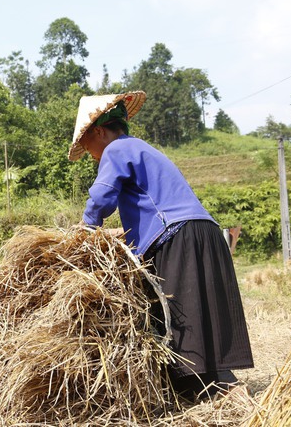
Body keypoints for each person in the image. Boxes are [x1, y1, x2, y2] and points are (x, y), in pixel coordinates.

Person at [68, 90, 254, 401]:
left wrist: (86, 229)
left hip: (176, 236)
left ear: (99, 132)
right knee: (203, 315)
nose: (92, 156)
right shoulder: (145, 149)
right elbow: (149, 208)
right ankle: (227, 386)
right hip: (204, 231)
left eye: (89, 148)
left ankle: (208, 391)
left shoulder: (116, 150)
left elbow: (101, 197)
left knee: (177, 319)